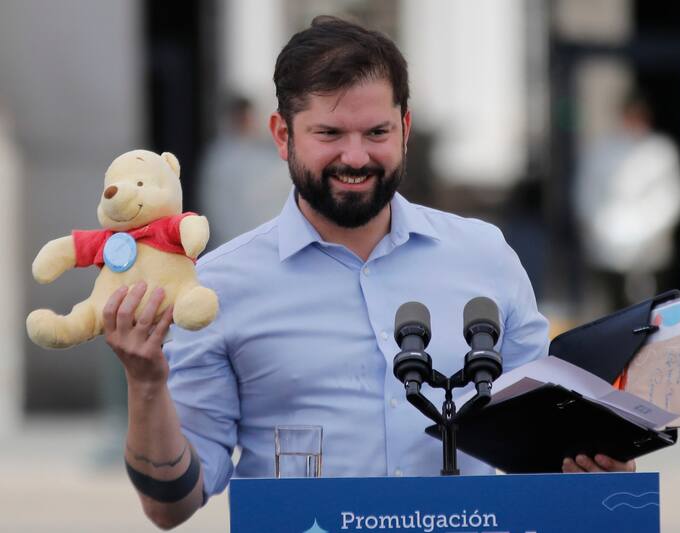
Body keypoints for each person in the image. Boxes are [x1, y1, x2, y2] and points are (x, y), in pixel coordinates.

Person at [104, 16, 635, 529]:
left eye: (376, 131)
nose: (355, 156)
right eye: (329, 133)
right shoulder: (218, 286)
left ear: (405, 128)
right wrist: (146, 383)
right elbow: (170, 506)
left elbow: (545, 443)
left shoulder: (484, 255)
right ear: (282, 135)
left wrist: (597, 465)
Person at [573, 92, 680, 309]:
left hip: (650, 255)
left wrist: (642, 234)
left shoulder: (661, 151)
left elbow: (670, 200)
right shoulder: (601, 150)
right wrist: (607, 232)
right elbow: (586, 196)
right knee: (613, 313)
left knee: (654, 316)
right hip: (608, 254)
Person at [198, 95, 291, 249]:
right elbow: (217, 205)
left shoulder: (264, 151)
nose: (247, 122)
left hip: (265, 240)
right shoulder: (220, 157)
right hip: (232, 240)